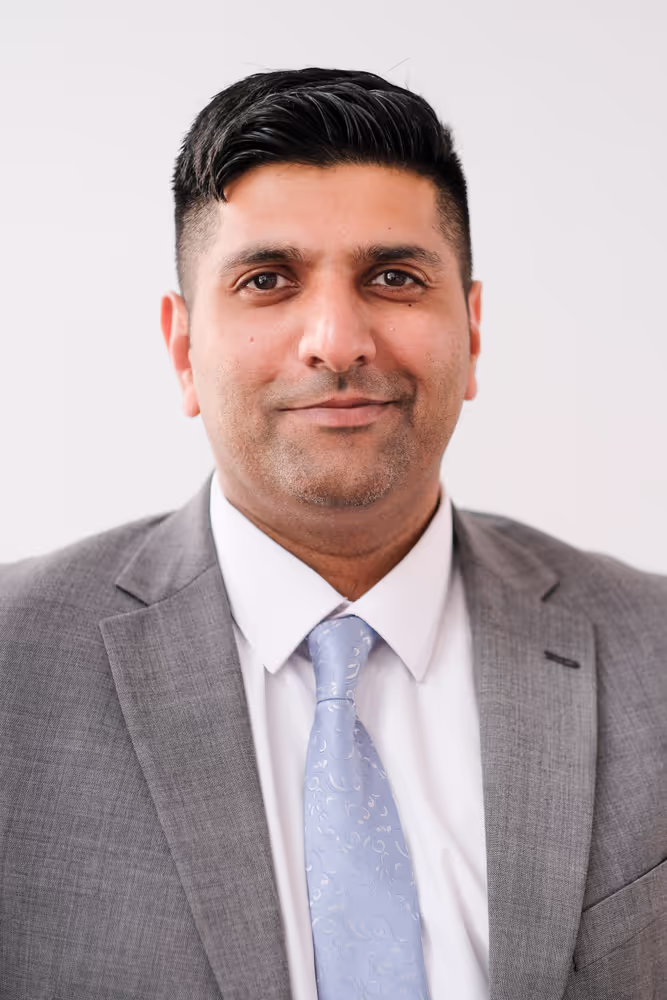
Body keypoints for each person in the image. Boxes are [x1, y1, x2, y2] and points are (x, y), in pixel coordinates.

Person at [0, 67, 664, 1000]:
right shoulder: (13, 669)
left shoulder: (652, 650)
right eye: (267, 281)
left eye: (393, 277)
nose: (337, 339)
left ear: (471, 331)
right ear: (182, 349)